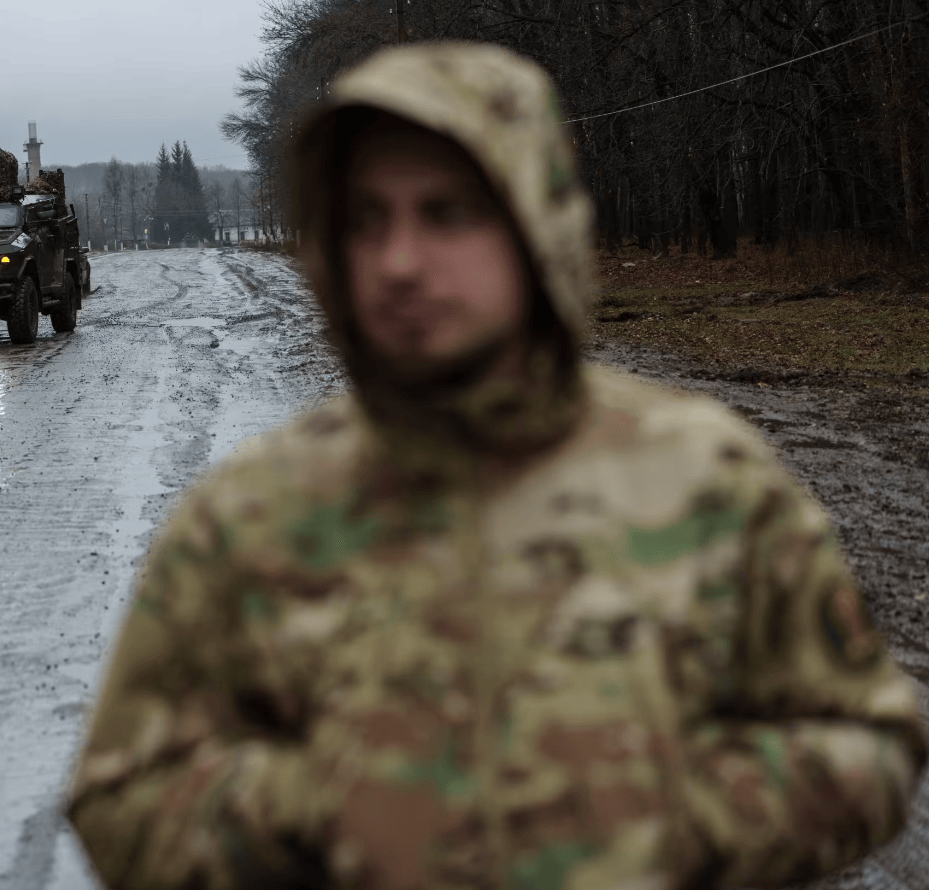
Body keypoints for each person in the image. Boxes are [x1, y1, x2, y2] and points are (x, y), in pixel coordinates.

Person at [65, 42, 925, 890]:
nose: (399, 262)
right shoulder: (252, 514)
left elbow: (869, 742)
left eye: (447, 212)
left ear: (535, 228)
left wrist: (666, 817)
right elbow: (121, 793)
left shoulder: (703, 473)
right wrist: (332, 812)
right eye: (366, 219)